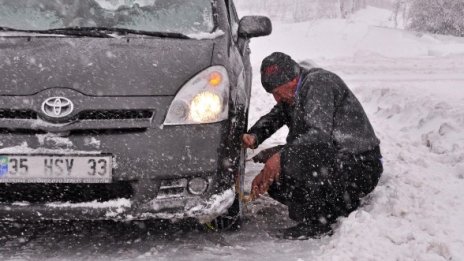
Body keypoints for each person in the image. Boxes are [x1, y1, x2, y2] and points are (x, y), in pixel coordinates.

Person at [242, 52, 383, 239]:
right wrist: (254, 136)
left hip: (359, 166)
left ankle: (321, 220)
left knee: (296, 161)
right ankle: (330, 207)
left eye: (277, 92)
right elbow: (276, 116)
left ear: (292, 80)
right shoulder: (294, 91)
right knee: (276, 181)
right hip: (335, 159)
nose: (277, 99)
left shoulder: (319, 84)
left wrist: (280, 157)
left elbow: (318, 137)